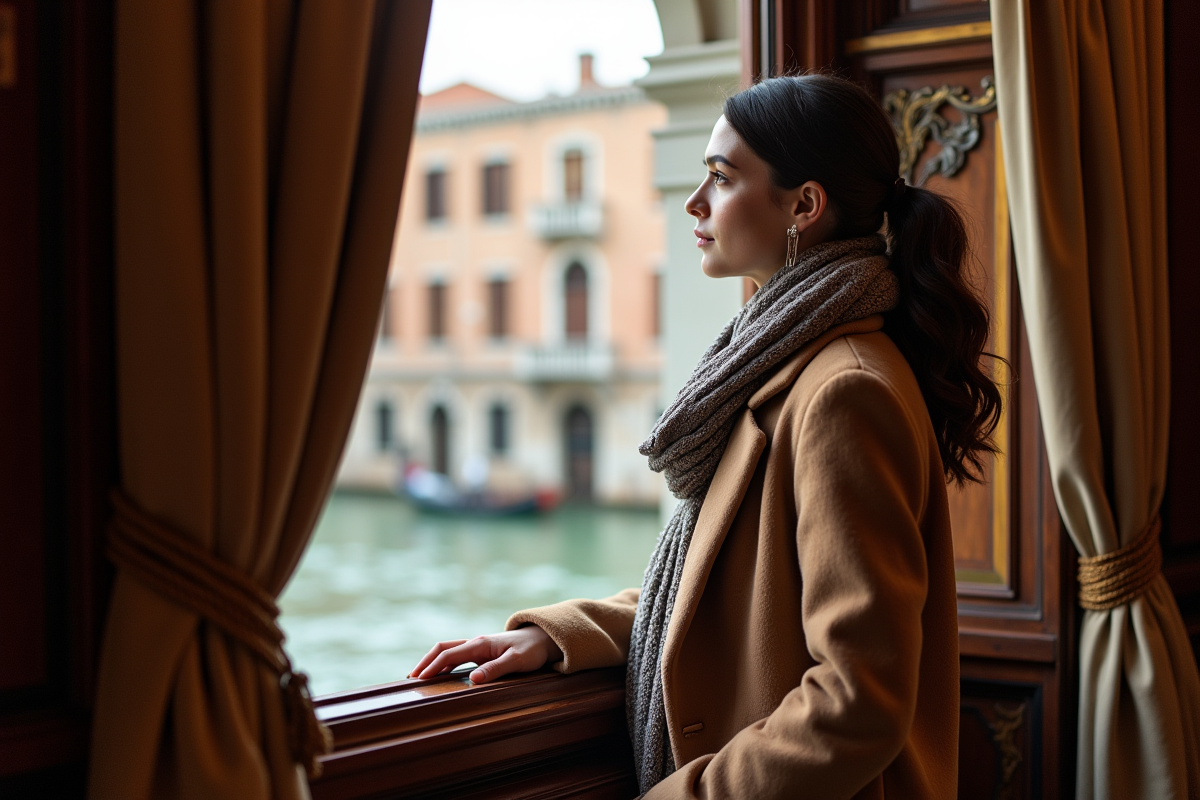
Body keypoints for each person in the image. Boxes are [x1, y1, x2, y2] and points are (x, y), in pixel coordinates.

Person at [409, 73, 1001, 799]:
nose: (695, 202)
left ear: (804, 206)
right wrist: (562, 636)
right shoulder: (778, 363)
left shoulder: (843, 390)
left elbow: (859, 700)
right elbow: (728, 593)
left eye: (721, 178)